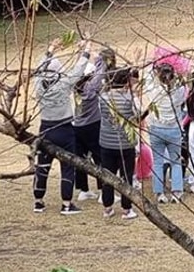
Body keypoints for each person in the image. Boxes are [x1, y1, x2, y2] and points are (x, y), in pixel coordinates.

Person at [33, 39, 91, 215]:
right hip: (64, 128)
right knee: (67, 166)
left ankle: (38, 201)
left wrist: (50, 50)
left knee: (42, 165)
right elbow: (78, 70)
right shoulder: (64, 83)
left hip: (45, 128)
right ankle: (66, 204)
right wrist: (86, 51)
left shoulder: (38, 83)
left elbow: (39, 67)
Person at [72, 47, 115, 202]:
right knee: (100, 158)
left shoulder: (76, 88)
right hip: (92, 125)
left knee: (80, 158)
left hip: (77, 126)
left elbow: (79, 70)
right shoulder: (90, 89)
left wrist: (84, 52)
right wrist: (99, 59)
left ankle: (83, 189)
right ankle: (104, 190)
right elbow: (101, 73)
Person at [99, 67, 143, 219]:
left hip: (106, 142)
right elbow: (138, 115)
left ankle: (107, 207)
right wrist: (135, 95)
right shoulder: (129, 99)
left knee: (107, 176)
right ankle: (126, 208)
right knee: (126, 176)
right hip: (125, 143)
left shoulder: (103, 97)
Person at [144, 62, 186, 203]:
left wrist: (151, 66)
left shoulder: (154, 91)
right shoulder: (178, 92)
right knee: (175, 162)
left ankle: (159, 193)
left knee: (158, 162)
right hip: (174, 130)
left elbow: (146, 78)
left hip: (156, 129)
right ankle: (177, 191)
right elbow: (184, 86)